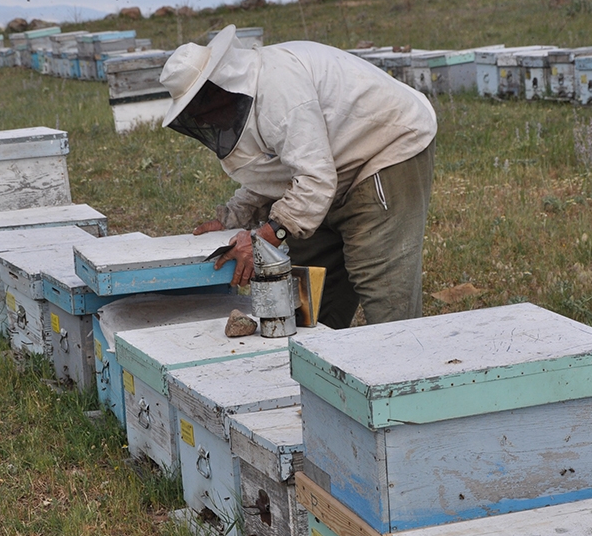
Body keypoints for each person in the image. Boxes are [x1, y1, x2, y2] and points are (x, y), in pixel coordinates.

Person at [159, 25, 437, 329]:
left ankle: (401, 352)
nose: (201, 119)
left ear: (220, 88)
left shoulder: (279, 92)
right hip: (328, 167)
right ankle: (321, 354)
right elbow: (277, 169)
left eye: (200, 107)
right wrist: (234, 217)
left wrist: (264, 238)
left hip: (384, 149)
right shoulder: (252, 99)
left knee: (383, 287)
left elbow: (315, 180)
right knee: (306, 292)